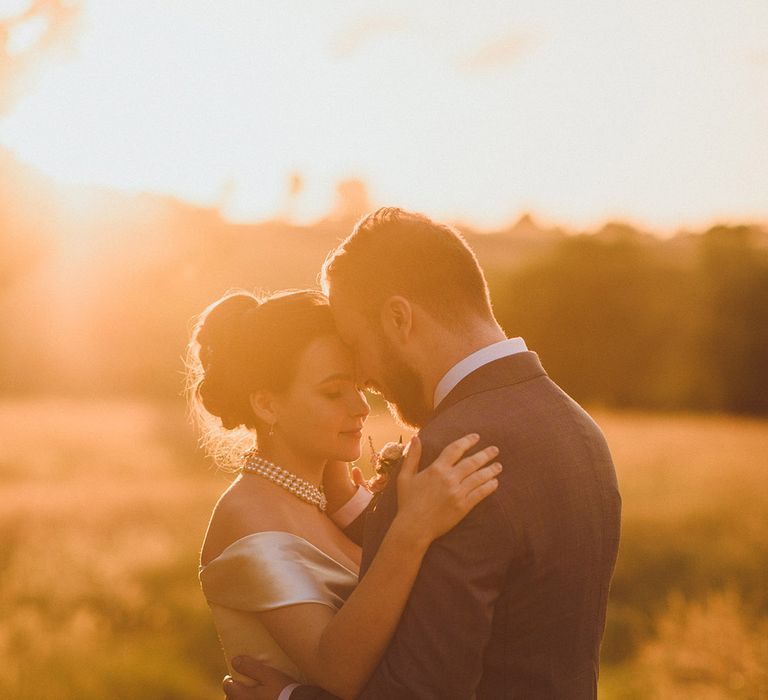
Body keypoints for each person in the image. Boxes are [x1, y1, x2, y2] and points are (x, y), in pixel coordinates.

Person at [224, 208, 622, 699]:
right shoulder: (577, 429)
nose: (363, 377)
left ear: (399, 318)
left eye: (355, 343)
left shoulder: (450, 457)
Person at [188, 289, 502, 700]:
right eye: (333, 393)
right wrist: (412, 529)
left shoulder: (316, 500)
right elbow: (337, 672)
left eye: (357, 387)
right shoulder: (247, 515)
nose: (359, 407)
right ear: (267, 405)